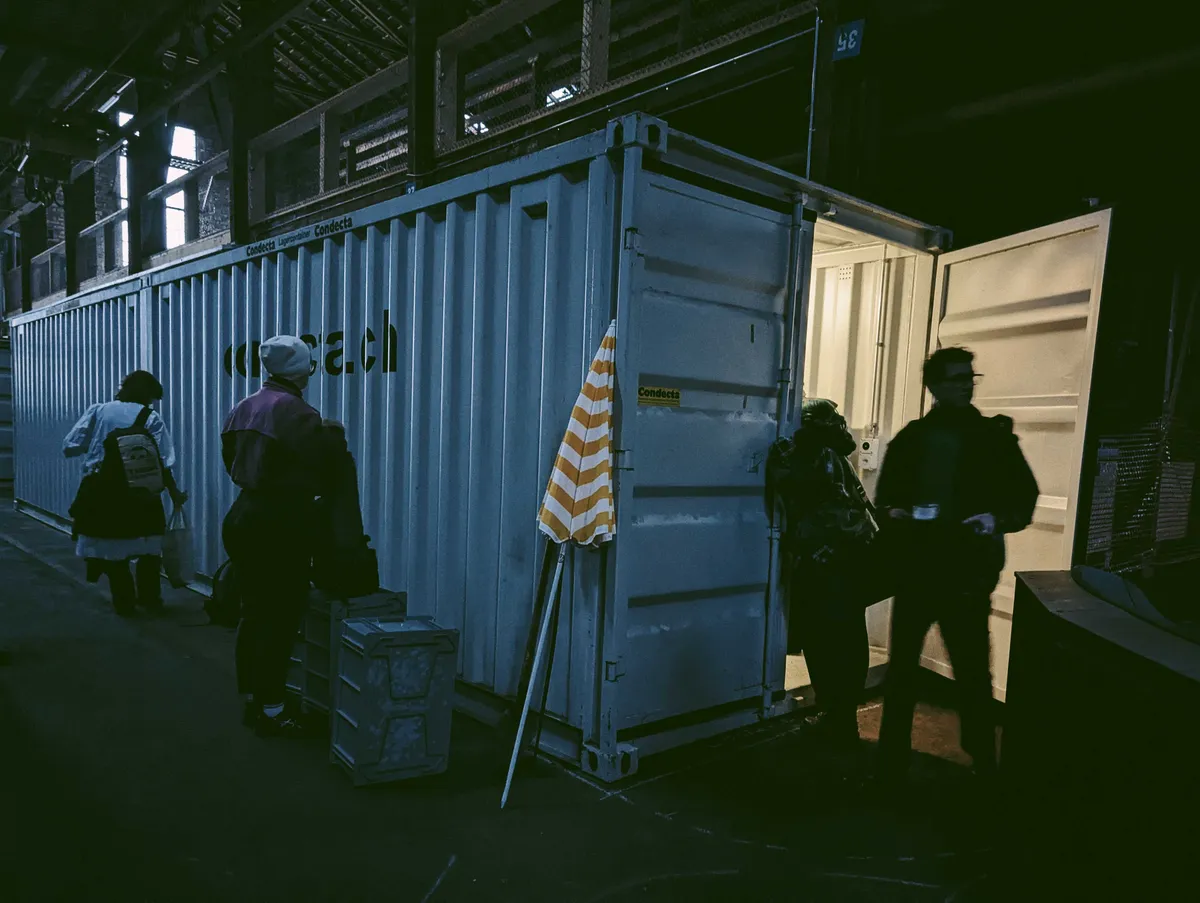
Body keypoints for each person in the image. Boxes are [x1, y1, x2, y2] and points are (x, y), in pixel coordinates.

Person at [874, 346, 1039, 787]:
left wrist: (995, 519)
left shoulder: (993, 438)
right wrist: (896, 515)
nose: (966, 384)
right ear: (934, 386)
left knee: (971, 674)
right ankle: (891, 759)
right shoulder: (911, 439)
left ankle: (984, 761)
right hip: (917, 573)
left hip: (966, 576)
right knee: (903, 671)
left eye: (969, 376)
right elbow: (885, 499)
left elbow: (1024, 499)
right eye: (955, 378)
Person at [221, 335, 335, 737]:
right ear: (299, 370)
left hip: (243, 515)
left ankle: (255, 698)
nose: (312, 370)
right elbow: (316, 473)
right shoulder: (300, 413)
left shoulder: (243, 407)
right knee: (281, 617)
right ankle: (273, 707)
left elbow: (230, 460)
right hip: (280, 523)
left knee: (254, 612)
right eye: (310, 364)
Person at [767, 398, 880, 765]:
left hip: (830, 563)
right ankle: (840, 717)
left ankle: (838, 718)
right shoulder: (831, 454)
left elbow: (785, 475)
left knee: (828, 641)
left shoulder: (815, 456)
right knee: (844, 638)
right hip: (850, 558)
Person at [63, 370, 188, 616]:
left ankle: (124, 602)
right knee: (149, 549)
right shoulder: (150, 417)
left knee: (113, 550)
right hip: (142, 493)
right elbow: (163, 461)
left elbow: (71, 445)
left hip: (102, 490)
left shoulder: (99, 410)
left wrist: (102, 446)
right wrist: (175, 494)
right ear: (149, 395)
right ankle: (150, 599)